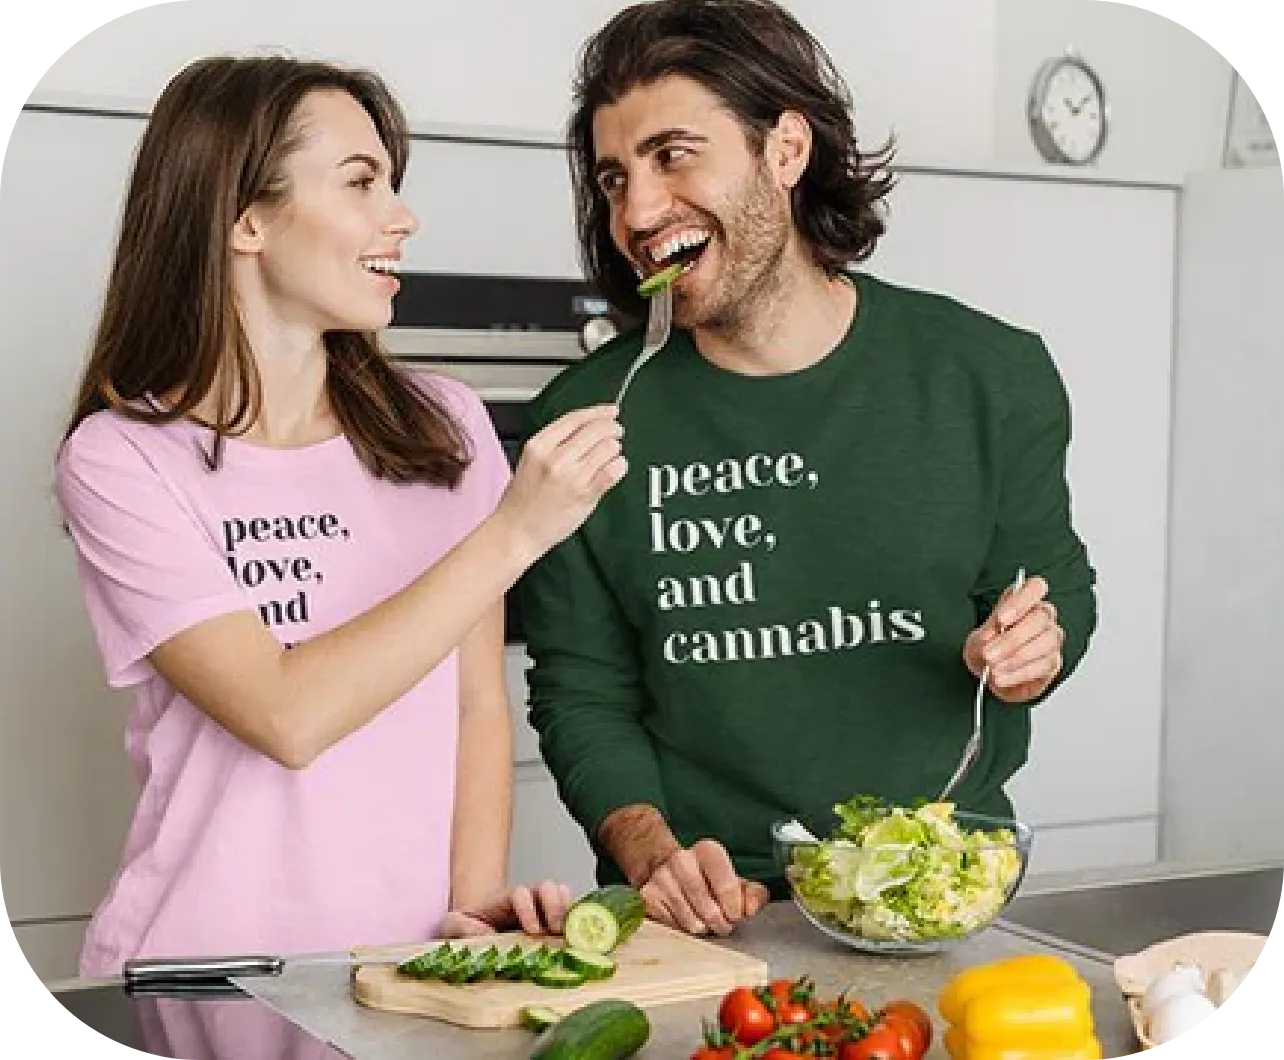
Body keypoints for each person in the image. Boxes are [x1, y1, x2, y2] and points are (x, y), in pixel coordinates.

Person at [518, 0, 1098, 939]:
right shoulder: (587, 423)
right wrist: (652, 855)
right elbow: (582, 689)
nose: (637, 211)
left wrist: (1040, 643)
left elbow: (1051, 578)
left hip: (942, 888)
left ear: (785, 150)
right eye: (615, 179)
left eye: (674, 156)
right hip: (715, 918)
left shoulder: (992, 376)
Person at [53, 54, 626, 978]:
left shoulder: (444, 427)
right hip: (204, 979)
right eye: (362, 182)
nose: (401, 218)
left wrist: (470, 913)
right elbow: (287, 714)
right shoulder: (122, 459)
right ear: (245, 218)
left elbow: (477, 706)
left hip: (406, 972)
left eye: (392, 184)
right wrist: (517, 531)